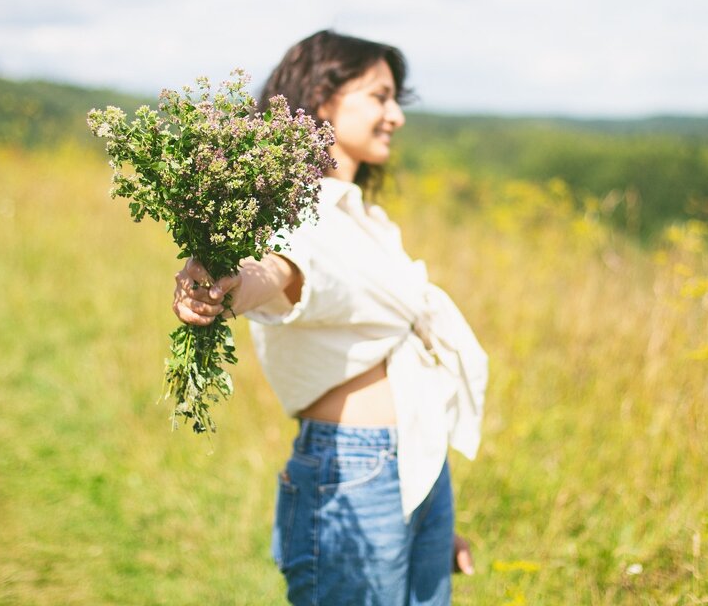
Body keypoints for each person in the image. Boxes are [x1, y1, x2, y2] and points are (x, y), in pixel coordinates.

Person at [172, 29, 489, 605]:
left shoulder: (364, 216)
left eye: (396, 100)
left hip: (412, 466)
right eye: (379, 96)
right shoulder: (293, 211)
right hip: (354, 467)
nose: (395, 115)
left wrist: (430, 519)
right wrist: (222, 284)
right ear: (321, 97)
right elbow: (278, 268)